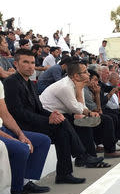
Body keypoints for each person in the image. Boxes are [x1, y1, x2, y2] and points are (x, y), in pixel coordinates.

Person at [3, 49, 102, 184]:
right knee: (63, 125)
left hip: (32, 121)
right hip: (20, 125)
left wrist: (52, 115)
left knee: (62, 125)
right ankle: (80, 157)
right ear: (16, 63)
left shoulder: (29, 82)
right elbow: (17, 112)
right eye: (25, 62)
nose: (30, 66)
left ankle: (65, 173)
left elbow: (39, 108)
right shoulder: (11, 82)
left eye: (32, 62)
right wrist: (48, 119)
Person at [0, 80, 50, 194]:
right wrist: (12, 139)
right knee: (21, 149)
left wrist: (20, 134)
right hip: (1, 132)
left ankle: (24, 182)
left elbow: (5, 114)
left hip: (3, 128)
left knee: (43, 141)